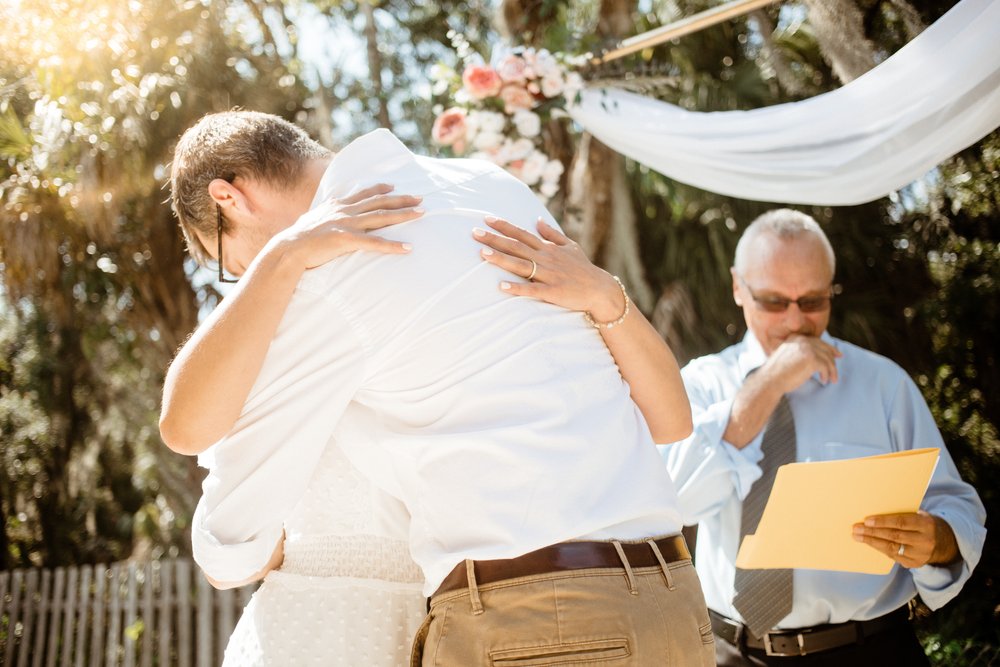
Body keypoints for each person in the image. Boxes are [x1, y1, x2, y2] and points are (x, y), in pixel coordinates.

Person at [164, 110, 714, 666]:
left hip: (540, 621)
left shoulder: (329, 275)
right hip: (671, 600)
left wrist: (281, 257)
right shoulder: (492, 187)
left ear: (229, 198)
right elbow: (668, 424)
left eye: (229, 262)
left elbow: (194, 449)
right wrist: (609, 295)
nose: (244, 277)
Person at [661, 208, 986, 666]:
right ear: (738, 287)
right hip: (733, 653)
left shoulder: (883, 385)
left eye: (812, 301)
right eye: (774, 302)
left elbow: (958, 510)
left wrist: (938, 539)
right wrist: (769, 383)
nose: (795, 321)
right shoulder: (702, 384)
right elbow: (679, 501)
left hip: (870, 650)